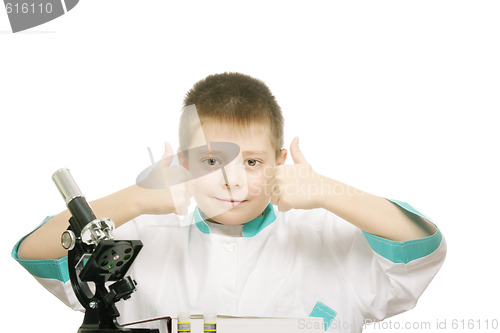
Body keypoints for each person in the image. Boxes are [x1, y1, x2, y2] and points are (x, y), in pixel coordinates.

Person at [12, 72, 446, 332]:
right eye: (212, 160)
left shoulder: (328, 238)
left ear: (279, 161)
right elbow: (34, 252)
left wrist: (326, 192)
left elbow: (419, 246)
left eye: (253, 161)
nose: (232, 182)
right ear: (182, 163)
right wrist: (139, 198)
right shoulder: (136, 240)